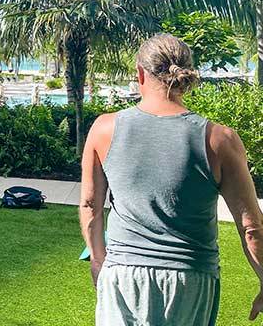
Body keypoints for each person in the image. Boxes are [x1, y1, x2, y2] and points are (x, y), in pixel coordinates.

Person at [80, 33, 263, 325]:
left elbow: (91, 205)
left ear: (140, 73)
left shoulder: (104, 128)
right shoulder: (219, 139)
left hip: (123, 274)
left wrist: (98, 260)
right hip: (191, 279)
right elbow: (251, 227)